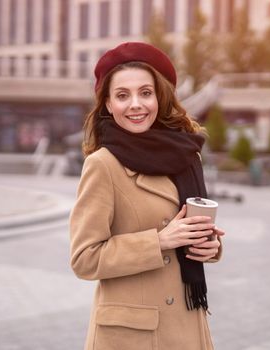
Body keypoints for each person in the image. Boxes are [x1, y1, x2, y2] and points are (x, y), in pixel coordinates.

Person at [69, 42, 225, 350]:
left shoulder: (186, 155)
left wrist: (211, 246)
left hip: (188, 322)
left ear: (159, 97)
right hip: (133, 335)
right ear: (108, 105)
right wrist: (160, 241)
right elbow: (84, 259)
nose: (136, 105)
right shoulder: (102, 164)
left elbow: (187, 233)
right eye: (122, 95)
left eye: (145, 92)